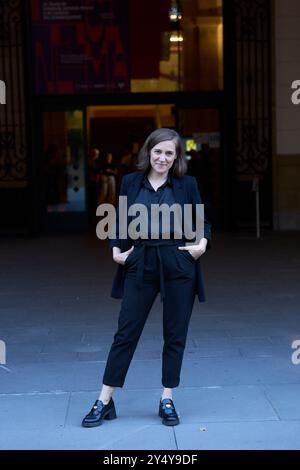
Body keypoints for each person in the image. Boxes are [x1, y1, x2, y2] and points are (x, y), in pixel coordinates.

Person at [81, 128, 212, 428]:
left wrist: (201, 245)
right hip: (141, 261)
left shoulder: (186, 184)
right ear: (148, 152)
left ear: (176, 156)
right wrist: (116, 249)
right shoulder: (130, 182)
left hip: (178, 262)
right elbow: (121, 219)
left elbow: (201, 221)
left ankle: (167, 398)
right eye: (158, 151)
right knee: (126, 332)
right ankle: (104, 399)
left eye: (169, 153)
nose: (162, 158)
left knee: (174, 334)